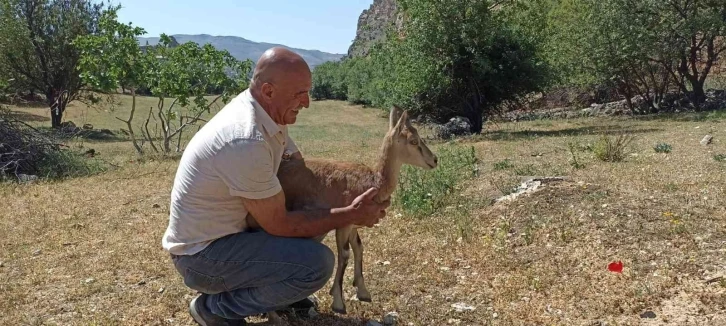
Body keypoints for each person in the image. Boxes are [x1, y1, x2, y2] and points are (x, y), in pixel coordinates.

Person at [161, 47, 390, 326]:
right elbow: (280, 225)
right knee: (316, 264)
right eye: (299, 93)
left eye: (308, 91)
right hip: (203, 258)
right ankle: (216, 308)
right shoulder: (245, 139)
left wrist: (345, 191)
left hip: (230, 239)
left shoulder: (268, 115)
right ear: (268, 91)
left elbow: (297, 167)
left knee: (312, 223)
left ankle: (277, 294)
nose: (306, 102)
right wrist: (351, 213)